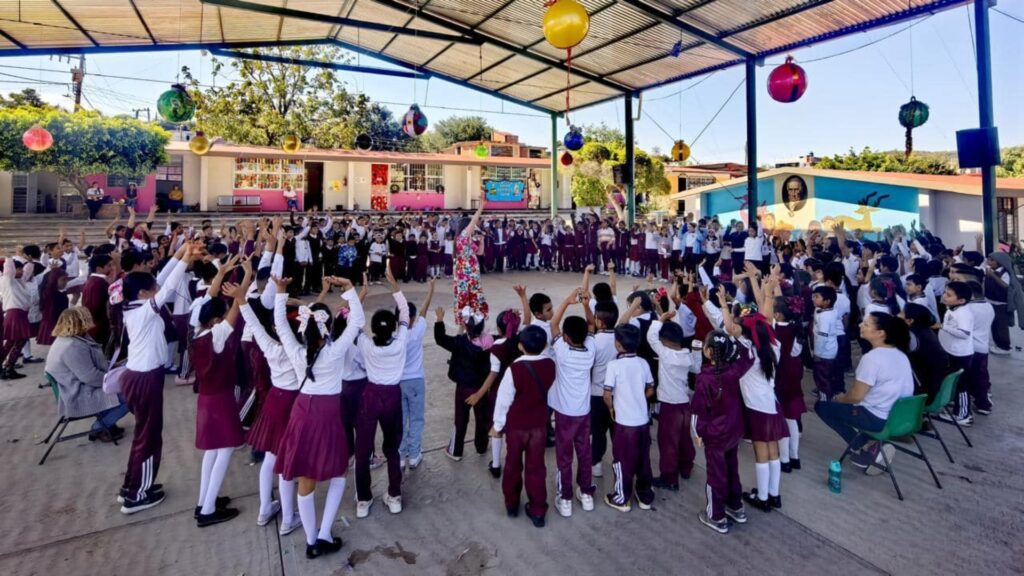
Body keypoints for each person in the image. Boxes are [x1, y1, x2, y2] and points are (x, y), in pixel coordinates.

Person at [271, 273, 364, 559]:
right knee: (338, 472)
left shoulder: (298, 352)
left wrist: (280, 292)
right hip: (326, 414)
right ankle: (323, 534)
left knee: (306, 478)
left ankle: (313, 540)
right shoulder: (334, 353)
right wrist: (349, 288)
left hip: (302, 411)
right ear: (328, 329)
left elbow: (280, 325)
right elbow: (358, 323)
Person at [118, 240, 195, 514]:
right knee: (149, 436)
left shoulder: (133, 305)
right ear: (143, 292)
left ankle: (132, 485)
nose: (158, 289)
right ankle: (138, 495)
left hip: (140, 374)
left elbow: (161, 279)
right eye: (152, 288)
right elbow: (168, 287)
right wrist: (186, 260)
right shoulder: (142, 311)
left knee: (143, 433)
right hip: (145, 377)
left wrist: (180, 253)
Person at [814, 312, 914, 471]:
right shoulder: (900, 354)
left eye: (866, 324)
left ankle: (863, 446)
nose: (860, 325)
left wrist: (839, 399)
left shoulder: (873, 358)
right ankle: (871, 445)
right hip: (901, 417)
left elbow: (855, 396)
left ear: (881, 333)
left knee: (823, 407)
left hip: (878, 418)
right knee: (853, 407)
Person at [191, 264, 248, 528]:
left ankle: (205, 500)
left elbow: (210, 301)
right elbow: (234, 315)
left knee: (212, 452)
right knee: (224, 450)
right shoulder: (216, 335)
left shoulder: (198, 332)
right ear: (215, 320)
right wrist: (240, 293)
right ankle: (208, 509)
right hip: (220, 398)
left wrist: (223, 277)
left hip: (206, 398)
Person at [354, 267, 410, 518]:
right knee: (392, 447)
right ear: (393, 328)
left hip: (371, 394)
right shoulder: (400, 342)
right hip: (392, 396)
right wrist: (394, 285)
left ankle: (363, 500)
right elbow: (406, 313)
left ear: (374, 328)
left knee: (363, 448)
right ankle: (394, 495)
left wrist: (357, 293)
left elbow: (352, 321)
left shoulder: (365, 343)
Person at [489, 325, 555, 528]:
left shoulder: (514, 369)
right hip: (538, 426)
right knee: (536, 467)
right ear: (545, 345)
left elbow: (503, 400)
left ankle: (511, 504)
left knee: (512, 465)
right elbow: (552, 395)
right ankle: (537, 510)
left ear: (520, 346)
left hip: (516, 427)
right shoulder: (550, 365)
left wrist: (498, 424)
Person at [692, 330, 753, 534]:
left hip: (715, 435)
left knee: (716, 474)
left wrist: (698, 433)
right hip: (734, 430)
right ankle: (736, 506)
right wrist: (738, 337)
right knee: (731, 468)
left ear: (708, 351)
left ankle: (716, 515)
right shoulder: (734, 370)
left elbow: (698, 411)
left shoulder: (704, 379)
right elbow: (749, 355)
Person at [548, 287, 597, 518]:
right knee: (584, 452)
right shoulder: (590, 350)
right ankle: (586, 493)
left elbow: (553, 324)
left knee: (564, 456)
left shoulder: (563, 351)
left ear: (566, 337)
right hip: (583, 411)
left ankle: (565, 497)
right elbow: (591, 326)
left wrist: (568, 301)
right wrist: (586, 305)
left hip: (565, 413)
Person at [44, 307, 128, 442]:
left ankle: (106, 423)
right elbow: (90, 377)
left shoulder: (71, 339)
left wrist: (113, 366)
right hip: (78, 393)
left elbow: (90, 365)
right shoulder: (71, 346)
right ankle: (100, 427)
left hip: (78, 386)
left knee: (126, 383)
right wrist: (116, 379)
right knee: (130, 395)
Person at [602, 324, 655, 512]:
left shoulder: (614, 365)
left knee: (622, 461)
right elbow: (650, 388)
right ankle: (645, 496)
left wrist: (611, 409)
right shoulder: (643, 363)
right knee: (643, 460)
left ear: (617, 344)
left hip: (624, 424)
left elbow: (607, 394)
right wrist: (639, 397)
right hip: (642, 421)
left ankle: (621, 498)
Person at [646, 312, 695, 490]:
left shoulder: (665, 353)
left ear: (665, 341)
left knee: (668, 442)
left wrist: (659, 320)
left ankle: (669, 477)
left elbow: (651, 336)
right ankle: (686, 467)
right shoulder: (687, 355)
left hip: (669, 405)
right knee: (684, 438)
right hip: (684, 403)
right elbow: (696, 367)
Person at [398, 279, 434, 469]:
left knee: (401, 420)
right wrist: (430, 291)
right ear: (412, 318)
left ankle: (401, 456)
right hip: (416, 380)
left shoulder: (395, 337)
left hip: (399, 382)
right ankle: (414, 454)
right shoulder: (417, 331)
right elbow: (423, 312)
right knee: (417, 418)